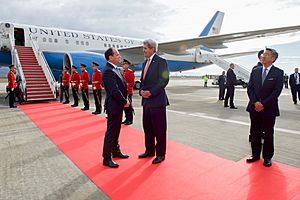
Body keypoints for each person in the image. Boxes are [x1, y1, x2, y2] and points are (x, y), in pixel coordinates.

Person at [246, 48, 283, 167]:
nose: (263, 56)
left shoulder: (278, 72)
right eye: (262, 54)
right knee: (255, 132)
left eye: (266, 54)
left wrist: (263, 104)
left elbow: (276, 91)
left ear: (273, 58)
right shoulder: (255, 71)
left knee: (268, 133)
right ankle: (255, 155)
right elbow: (250, 88)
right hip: (254, 108)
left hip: (269, 109)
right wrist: (255, 102)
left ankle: (267, 157)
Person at [138, 39, 170, 164]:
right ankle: (149, 150)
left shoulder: (161, 62)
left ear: (152, 49)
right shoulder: (144, 63)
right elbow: (142, 81)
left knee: (159, 129)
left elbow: (164, 80)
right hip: (146, 102)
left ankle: (160, 154)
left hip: (157, 101)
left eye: (145, 48)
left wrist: (151, 92)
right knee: (148, 128)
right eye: (144, 48)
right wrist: (141, 91)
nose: (143, 50)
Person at [102, 48, 130, 168]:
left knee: (116, 131)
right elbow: (114, 91)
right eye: (117, 55)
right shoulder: (108, 71)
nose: (120, 57)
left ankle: (116, 152)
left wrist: (126, 99)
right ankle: (107, 158)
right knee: (111, 132)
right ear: (110, 57)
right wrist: (124, 102)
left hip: (118, 106)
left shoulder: (115, 69)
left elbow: (122, 86)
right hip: (114, 106)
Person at [122, 59, 135, 125]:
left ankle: (130, 119)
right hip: (124, 91)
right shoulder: (123, 72)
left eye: (125, 64)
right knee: (125, 106)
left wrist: (127, 85)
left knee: (129, 107)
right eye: (123, 64)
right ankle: (127, 118)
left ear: (128, 65)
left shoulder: (130, 72)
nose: (124, 65)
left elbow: (132, 83)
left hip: (128, 91)